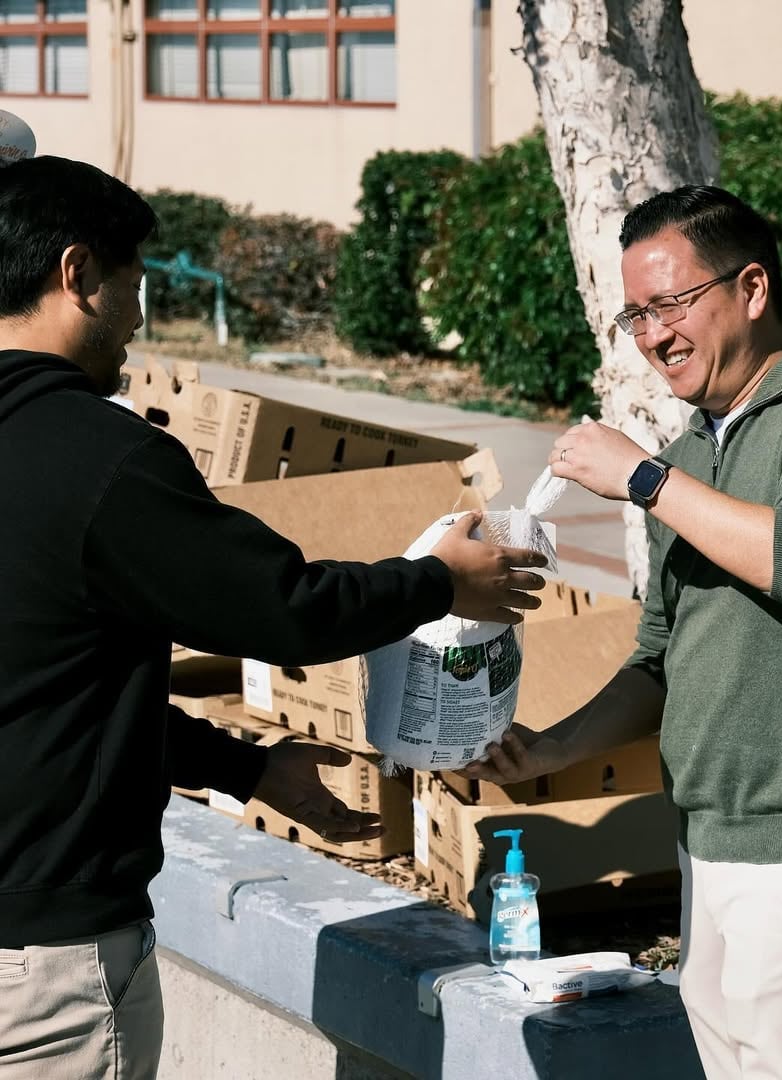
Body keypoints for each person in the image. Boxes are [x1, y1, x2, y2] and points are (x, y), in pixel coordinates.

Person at [0, 155, 547, 1079]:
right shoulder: (103, 460)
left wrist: (245, 765)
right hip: (44, 964)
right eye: (134, 287)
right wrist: (439, 583)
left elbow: (58, 693)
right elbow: (281, 607)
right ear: (77, 275)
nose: (139, 321)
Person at [465, 186, 782, 1078]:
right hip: (712, 846)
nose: (652, 335)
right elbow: (661, 659)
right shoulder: (690, 457)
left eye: (671, 303)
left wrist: (640, 477)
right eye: (635, 313)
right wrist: (548, 751)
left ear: (752, 289)